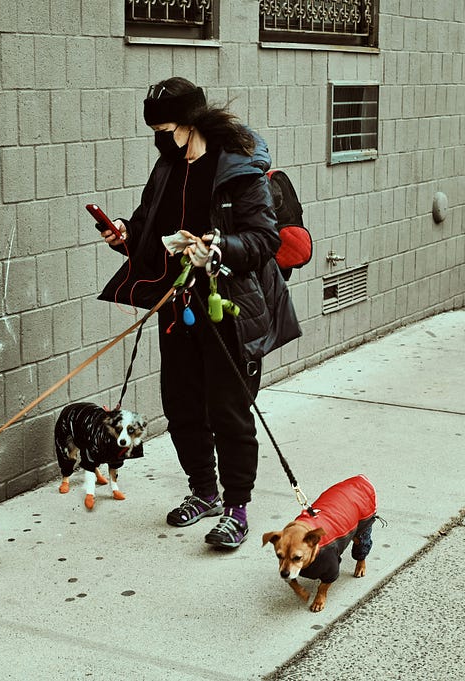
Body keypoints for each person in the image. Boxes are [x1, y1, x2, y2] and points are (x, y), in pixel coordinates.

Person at [96, 77, 301, 549]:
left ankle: (237, 508)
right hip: (179, 308)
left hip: (228, 308)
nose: (159, 138)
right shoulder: (167, 168)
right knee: (182, 406)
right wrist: (125, 233)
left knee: (228, 411)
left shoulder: (239, 168)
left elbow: (263, 239)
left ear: (190, 124)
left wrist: (217, 246)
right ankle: (203, 493)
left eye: (165, 128)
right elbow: (148, 225)